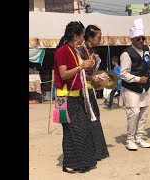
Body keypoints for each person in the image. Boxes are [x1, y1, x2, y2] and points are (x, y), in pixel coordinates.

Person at [54, 21, 97, 173]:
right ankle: (71, 163)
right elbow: (64, 74)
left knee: (81, 129)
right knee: (72, 131)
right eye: (81, 35)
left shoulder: (74, 50)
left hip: (76, 95)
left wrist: (88, 64)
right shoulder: (62, 51)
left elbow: (80, 72)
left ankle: (80, 161)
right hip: (66, 97)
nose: (83, 38)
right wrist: (81, 66)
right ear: (75, 36)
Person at [120, 18, 150, 150]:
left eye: (142, 38)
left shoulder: (147, 49)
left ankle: (139, 137)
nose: (141, 41)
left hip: (145, 87)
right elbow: (123, 74)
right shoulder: (126, 53)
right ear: (132, 39)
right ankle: (130, 139)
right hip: (131, 88)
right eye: (138, 39)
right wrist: (137, 79)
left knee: (144, 113)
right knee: (133, 113)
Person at [77, 24, 109, 161]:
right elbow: (80, 71)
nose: (100, 40)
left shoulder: (92, 52)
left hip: (91, 90)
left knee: (95, 117)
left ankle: (97, 151)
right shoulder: (80, 51)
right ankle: (92, 151)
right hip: (83, 89)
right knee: (89, 119)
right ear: (89, 38)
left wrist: (100, 77)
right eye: (98, 37)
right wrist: (93, 77)